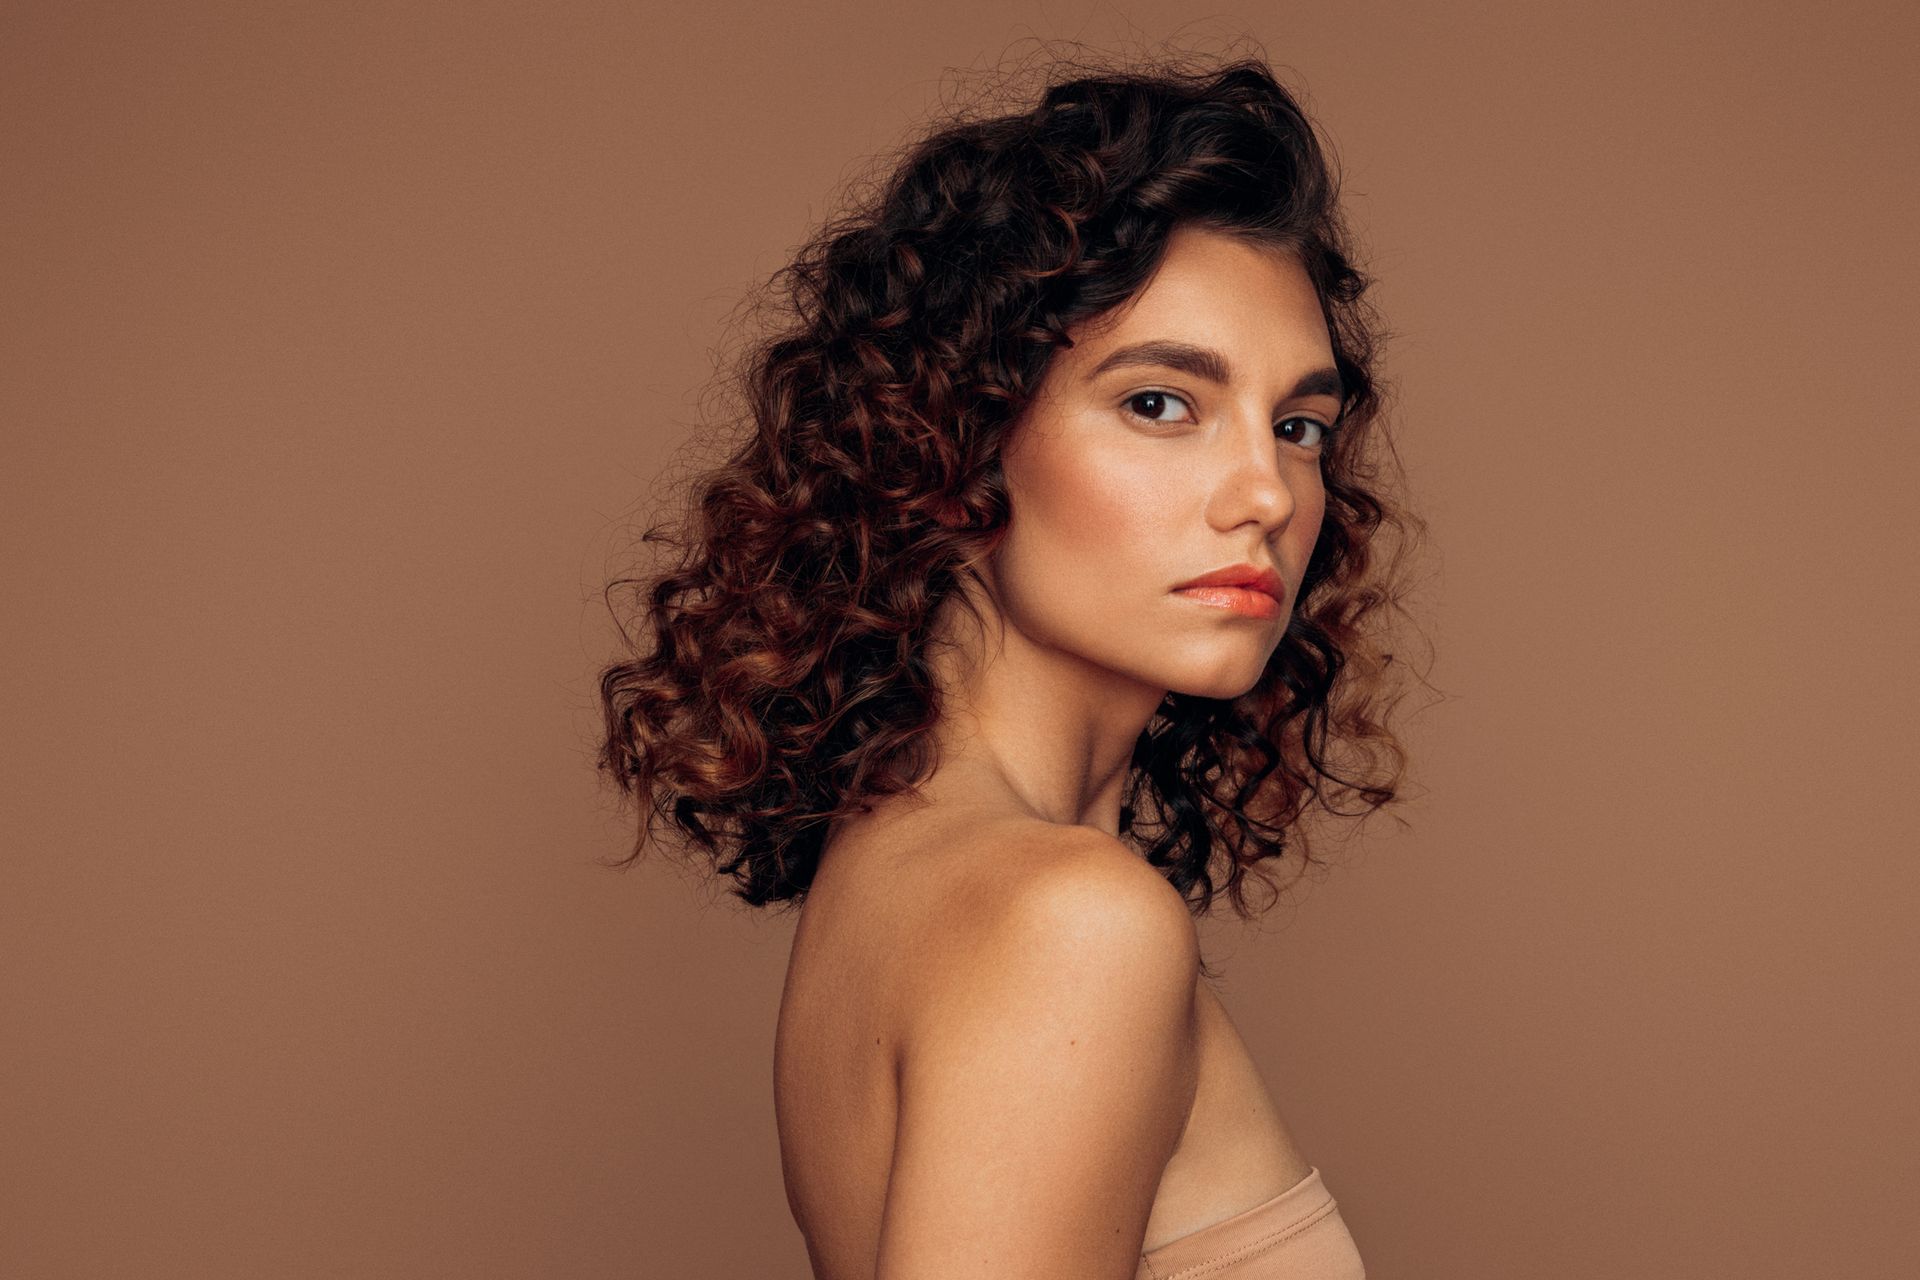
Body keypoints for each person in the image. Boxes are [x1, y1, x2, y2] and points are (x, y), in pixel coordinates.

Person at [597, 48, 1423, 1279]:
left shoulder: (899, 870)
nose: (1267, 492)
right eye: (1160, 403)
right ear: (961, 437)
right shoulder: (1070, 923)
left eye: (1298, 425)